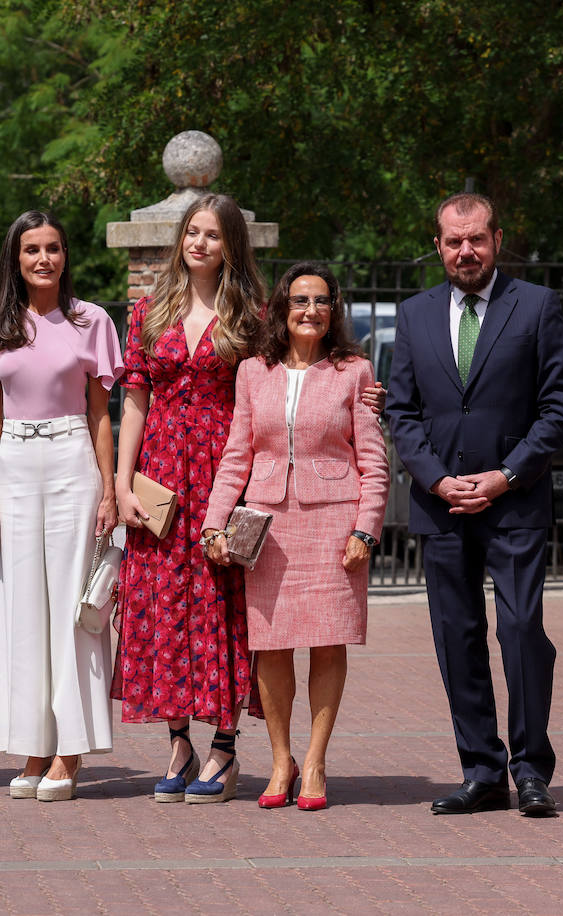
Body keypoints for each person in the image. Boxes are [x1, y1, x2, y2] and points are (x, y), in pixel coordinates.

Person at [385, 192, 563, 817]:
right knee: (456, 637)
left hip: (515, 503)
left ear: (497, 238)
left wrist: (506, 475)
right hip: (441, 506)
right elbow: (402, 412)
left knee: (521, 631)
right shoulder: (413, 316)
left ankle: (530, 770)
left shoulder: (537, 307)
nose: (464, 251)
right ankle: (482, 770)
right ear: (437, 245)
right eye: (452, 241)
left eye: (475, 239)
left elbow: (559, 406)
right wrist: (439, 480)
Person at [203, 262, 389, 811]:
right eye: (300, 300)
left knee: (328, 642)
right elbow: (237, 454)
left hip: (335, 525)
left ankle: (315, 761)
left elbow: (375, 463)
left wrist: (366, 529)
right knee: (271, 647)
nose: (311, 310)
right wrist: (214, 522)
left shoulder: (354, 371)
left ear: (334, 310)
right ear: (281, 309)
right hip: (268, 529)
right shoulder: (252, 373)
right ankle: (280, 759)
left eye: (322, 301)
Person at [111, 194, 266, 804]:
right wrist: (122, 485)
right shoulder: (149, 311)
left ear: (232, 245)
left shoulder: (251, 315)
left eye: (213, 235)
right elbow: (134, 401)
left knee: (224, 604)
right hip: (159, 476)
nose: (199, 243)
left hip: (224, 471)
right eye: (192, 232)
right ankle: (179, 740)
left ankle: (224, 747)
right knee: (163, 602)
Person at [0, 211, 122, 802]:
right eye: (31, 249)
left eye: (53, 248)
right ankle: (33, 743)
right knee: (21, 606)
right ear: (16, 257)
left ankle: (70, 750)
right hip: (14, 468)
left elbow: (100, 414)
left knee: (71, 605)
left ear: (65, 255)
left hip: (73, 463)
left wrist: (109, 490)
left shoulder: (92, 321)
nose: (43, 259)